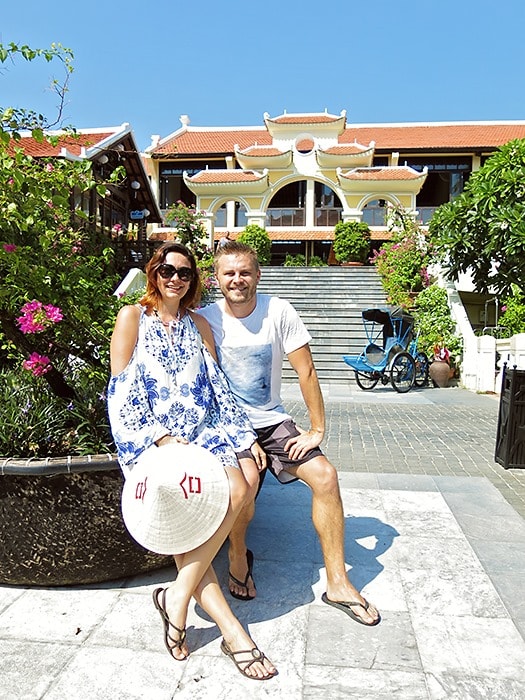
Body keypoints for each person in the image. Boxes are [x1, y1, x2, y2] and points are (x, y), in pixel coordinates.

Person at [107, 241, 277, 680]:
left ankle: (176, 597)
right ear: (153, 273)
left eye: (184, 272)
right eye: (167, 270)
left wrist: (242, 437)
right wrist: (161, 439)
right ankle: (232, 631)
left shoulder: (199, 324)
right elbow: (120, 391)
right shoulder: (131, 318)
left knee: (242, 484)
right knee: (184, 509)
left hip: (202, 433)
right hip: (152, 438)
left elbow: (218, 391)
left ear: (193, 279)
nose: (175, 278)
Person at [198, 241, 380, 626]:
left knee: (325, 476)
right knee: (244, 486)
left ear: (258, 275)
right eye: (229, 273)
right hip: (230, 427)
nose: (237, 280)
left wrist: (316, 430)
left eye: (245, 272)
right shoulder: (205, 319)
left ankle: (338, 581)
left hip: (272, 421)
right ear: (216, 279)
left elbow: (306, 372)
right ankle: (237, 554)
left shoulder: (278, 311)